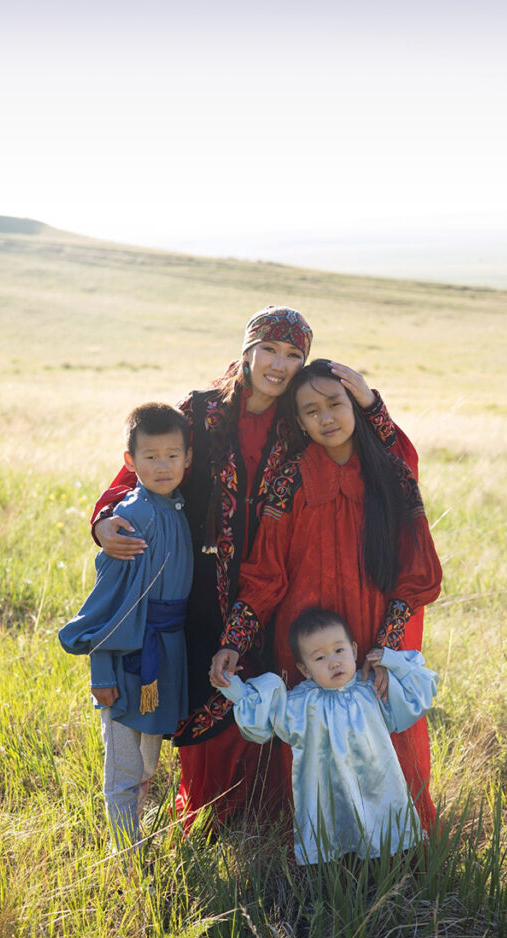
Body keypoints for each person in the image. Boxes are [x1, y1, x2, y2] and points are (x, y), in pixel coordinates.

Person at [91, 307, 423, 827]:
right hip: (200, 584)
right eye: (268, 349)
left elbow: (384, 459)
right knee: (207, 692)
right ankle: (209, 814)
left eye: (293, 355)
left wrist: (370, 402)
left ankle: (268, 815)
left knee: (265, 693)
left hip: (276, 582)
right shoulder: (200, 412)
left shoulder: (300, 417)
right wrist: (105, 518)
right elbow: (148, 464)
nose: (278, 364)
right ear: (247, 350)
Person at [211, 359, 443, 832]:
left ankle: (395, 848)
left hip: (370, 635)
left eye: (335, 403)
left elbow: (417, 573)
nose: (326, 418)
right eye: (311, 411)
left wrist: (385, 650)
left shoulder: (392, 475)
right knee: (312, 745)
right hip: (306, 642)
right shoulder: (289, 479)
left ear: (355, 405)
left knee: (381, 741)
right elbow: (265, 574)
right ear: (299, 422)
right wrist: (234, 639)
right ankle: (317, 850)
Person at [59, 403, 193, 849]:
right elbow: (107, 604)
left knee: (148, 765)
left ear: (188, 459)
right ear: (130, 461)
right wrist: (101, 673)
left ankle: (135, 840)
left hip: (165, 657)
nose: (163, 466)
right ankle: (126, 857)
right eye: (150, 456)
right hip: (125, 661)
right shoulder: (132, 518)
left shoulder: (177, 508)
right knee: (124, 767)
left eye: (172, 455)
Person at [213, 607, 438, 865]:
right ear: (305, 669)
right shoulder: (302, 704)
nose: (334, 662)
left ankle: (391, 869)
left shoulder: (371, 689)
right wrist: (232, 687)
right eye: (320, 658)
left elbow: (415, 695)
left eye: (339, 650)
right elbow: (266, 714)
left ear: (354, 650)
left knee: (386, 839)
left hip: (377, 786)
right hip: (327, 792)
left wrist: (391, 659)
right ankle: (336, 875)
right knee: (335, 843)